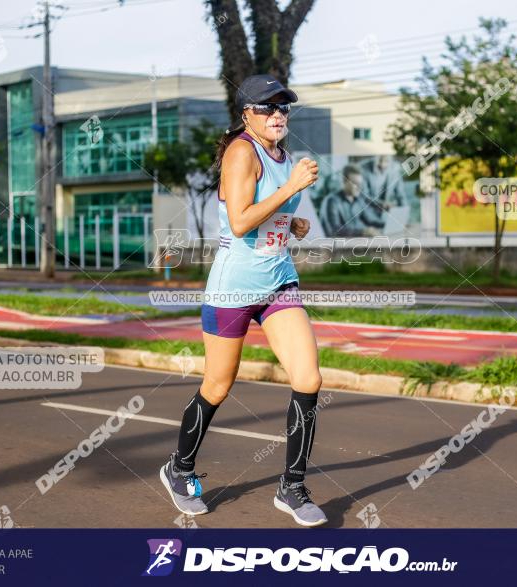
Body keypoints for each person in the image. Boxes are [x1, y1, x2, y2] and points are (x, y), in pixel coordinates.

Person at [159, 74, 328, 527]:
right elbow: (237, 222)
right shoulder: (241, 152)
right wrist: (291, 189)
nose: (278, 115)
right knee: (217, 385)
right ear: (246, 116)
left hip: (278, 283)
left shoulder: (282, 155)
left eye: (284, 108)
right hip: (233, 289)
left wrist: (290, 224)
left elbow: (263, 213)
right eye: (267, 108)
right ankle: (179, 468)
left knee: (308, 378)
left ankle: (292, 487)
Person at [319, 164, 382, 237]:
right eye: (355, 183)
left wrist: (389, 222)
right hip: (340, 245)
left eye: (360, 184)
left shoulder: (358, 200)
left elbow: (370, 220)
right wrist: (362, 232)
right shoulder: (332, 201)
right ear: (344, 182)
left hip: (358, 242)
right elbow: (334, 231)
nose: (359, 187)